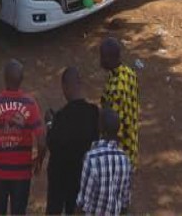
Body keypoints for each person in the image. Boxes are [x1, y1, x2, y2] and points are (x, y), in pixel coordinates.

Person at [0, 59, 47, 215]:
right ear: (22, 79)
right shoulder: (30, 103)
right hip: (22, 174)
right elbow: (42, 142)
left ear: (4, 78)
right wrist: (38, 160)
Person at [45, 67, 99, 215]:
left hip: (60, 176)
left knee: (54, 209)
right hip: (83, 175)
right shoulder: (93, 113)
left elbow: (52, 144)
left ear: (64, 87)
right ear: (80, 84)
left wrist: (50, 124)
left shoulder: (61, 117)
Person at [77, 108, 133, 216]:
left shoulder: (91, 159)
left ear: (100, 128)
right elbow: (125, 202)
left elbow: (83, 203)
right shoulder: (125, 159)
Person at [99, 37, 139, 169]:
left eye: (102, 57)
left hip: (122, 150)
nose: (100, 61)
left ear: (110, 58)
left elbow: (114, 126)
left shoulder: (116, 90)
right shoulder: (129, 73)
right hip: (132, 140)